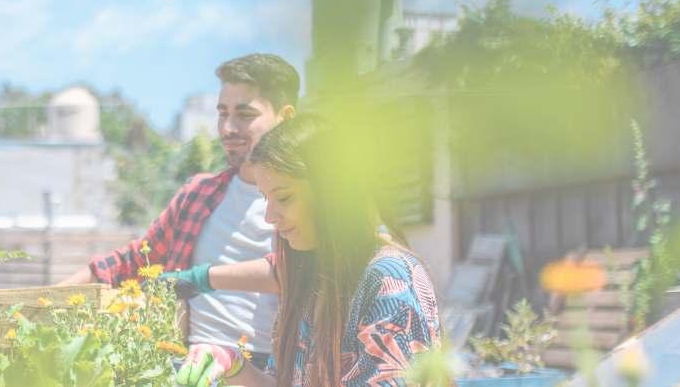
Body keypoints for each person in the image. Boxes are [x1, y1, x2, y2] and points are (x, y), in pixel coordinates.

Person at [57, 54, 301, 363]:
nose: (228, 127)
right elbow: (134, 260)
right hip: (189, 363)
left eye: (245, 114)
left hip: (275, 367)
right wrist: (45, 298)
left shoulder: (307, 198)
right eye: (222, 113)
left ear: (286, 116)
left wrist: (200, 277)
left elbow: (301, 269)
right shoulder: (198, 194)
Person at [165, 115, 442, 386]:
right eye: (266, 198)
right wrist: (232, 362)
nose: (269, 216)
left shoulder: (388, 278)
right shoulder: (310, 278)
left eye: (284, 197)